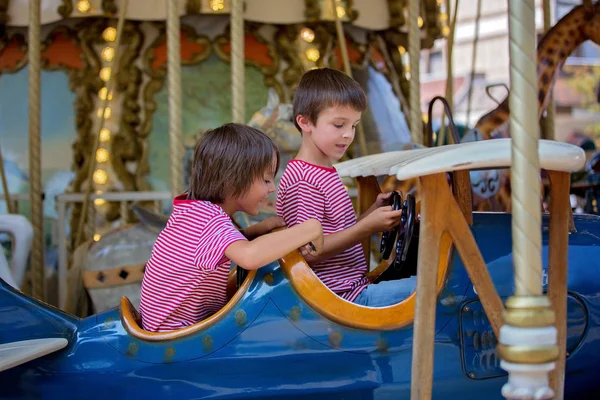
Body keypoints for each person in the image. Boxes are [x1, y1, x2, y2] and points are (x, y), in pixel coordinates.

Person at [140, 123, 323, 332]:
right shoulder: (207, 219)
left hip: (178, 328)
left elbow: (215, 248)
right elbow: (249, 256)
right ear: (231, 180)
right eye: (265, 179)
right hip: (176, 334)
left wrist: (256, 230)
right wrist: (311, 228)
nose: (272, 188)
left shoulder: (194, 212)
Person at [276, 68, 416, 307]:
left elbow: (332, 233)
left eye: (353, 126)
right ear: (305, 122)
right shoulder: (304, 181)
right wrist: (366, 228)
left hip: (351, 287)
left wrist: (372, 212)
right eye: (339, 125)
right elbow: (309, 252)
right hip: (338, 297)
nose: (348, 135)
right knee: (437, 287)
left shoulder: (324, 171)